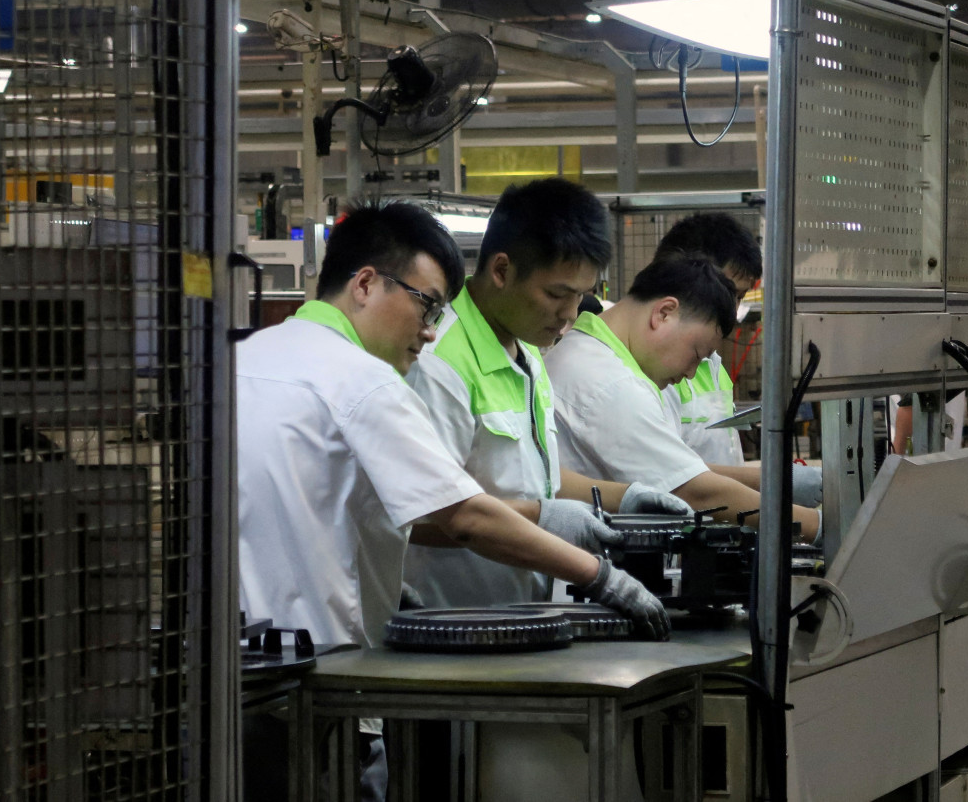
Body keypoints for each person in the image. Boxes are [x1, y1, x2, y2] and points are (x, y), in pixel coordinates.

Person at [236, 201, 669, 799]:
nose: (432, 329)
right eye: (427, 304)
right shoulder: (363, 380)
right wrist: (600, 577)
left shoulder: (240, 361)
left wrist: (388, 583)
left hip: (233, 682)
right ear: (365, 284)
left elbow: (309, 505)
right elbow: (461, 515)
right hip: (322, 683)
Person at [403, 178, 688, 608]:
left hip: (518, 620)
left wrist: (621, 497)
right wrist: (544, 520)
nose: (570, 314)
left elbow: (534, 481)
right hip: (449, 624)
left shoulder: (529, 350)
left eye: (582, 296)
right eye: (557, 294)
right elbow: (418, 514)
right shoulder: (439, 361)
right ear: (501, 270)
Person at [546, 253, 822, 539]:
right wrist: (816, 526)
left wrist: (770, 481)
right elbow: (693, 491)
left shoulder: (596, 355)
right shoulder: (609, 381)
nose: (691, 374)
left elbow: (676, 469)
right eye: (695, 355)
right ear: (664, 313)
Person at [653, 212, 823, 506]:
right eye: (728, 293)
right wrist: (777, 482)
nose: (731, 312)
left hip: (722, 523)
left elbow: (718, 459)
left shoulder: (710, 359)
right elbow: (667, 474)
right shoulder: (649, 366)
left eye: (740, 297)